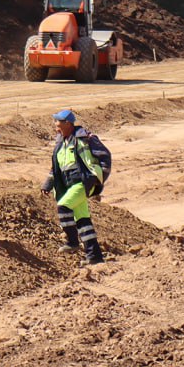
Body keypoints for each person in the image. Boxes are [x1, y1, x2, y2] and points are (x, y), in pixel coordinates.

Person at [41, 108, 107, 264]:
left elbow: (91, 161)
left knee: (64, 206)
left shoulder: (80, 140)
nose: (55, 125)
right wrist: (47, 184)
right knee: (83, 220)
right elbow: (55, 167)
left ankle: (72, 242)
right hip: (68, 184)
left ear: (68, 123)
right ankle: (95, 257)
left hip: (82, 182)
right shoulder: (60, 143)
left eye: (57, 122)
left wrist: (94, 179)